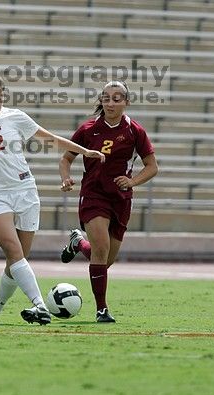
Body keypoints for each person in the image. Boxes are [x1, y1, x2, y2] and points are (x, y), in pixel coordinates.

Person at [0, 72, 106, 325]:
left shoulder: (15, 117)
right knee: (14, 251)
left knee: (18, 259)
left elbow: (50, 138)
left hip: (25, 190)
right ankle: (40, 306)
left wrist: (84, 151)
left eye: (0, 98)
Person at [59, 80, 158, 323]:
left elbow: (152, 167)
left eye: (116, 98)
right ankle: (102, 309)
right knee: (101, 249)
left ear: (126, 102)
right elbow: (66, 159)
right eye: (106, 97)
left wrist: (132, 182)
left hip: (121, 199)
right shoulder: (87, 129)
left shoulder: (135, 131)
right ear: (101, 101)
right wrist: (66, 178)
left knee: (104, 258)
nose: (111, 102)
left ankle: (77, 243)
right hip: (93, 194)